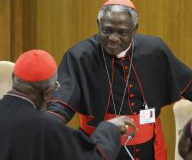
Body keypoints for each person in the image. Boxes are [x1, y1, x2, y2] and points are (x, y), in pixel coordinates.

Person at [47, 0, 192, 160]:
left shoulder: (154, 50)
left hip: (147, 150)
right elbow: (62, 102)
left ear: (134, 30)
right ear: (98, 23)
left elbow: (191, 83)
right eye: (107, 30)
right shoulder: (79, 56)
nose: (113, 38)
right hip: (99, 147)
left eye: (122, 32)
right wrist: (43, 128)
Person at [0, 49, 136, 160]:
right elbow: (91, 157)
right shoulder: (46, 127)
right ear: (48, 92)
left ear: (13, 79)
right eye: (55, 87)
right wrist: (109, 129)